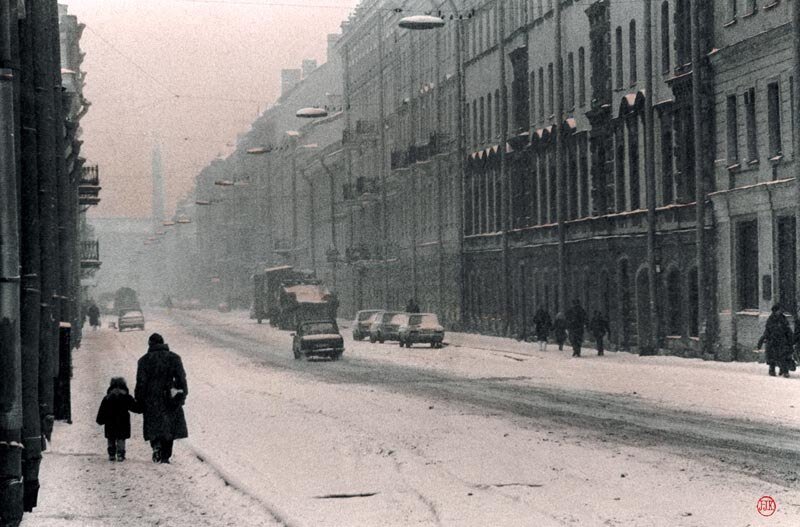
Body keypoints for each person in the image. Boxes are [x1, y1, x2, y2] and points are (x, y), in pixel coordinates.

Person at [135, 333, 188, 464]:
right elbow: (181, 379)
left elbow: (141, 382)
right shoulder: (174, 358)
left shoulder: (144, 360)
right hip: (169, 397)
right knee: (169, 428)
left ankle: (156, 445)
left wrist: (139, 399)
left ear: (150, 344)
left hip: (151, 398)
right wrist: (182, 395)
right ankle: (165, 455)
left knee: (153, 426)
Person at [95, 377, 139, 462]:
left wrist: (100, 420)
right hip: (123, 422)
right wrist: (141, 407)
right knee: (121, 438)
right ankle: (120, 454)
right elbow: (135, 407)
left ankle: (111, 454)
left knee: (111, 438)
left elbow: (102, 410)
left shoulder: (107, 398)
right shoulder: (126, 397)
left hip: (110, 422)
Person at [757, 305, 793, 378]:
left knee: (783, 356)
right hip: (772, 341)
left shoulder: (783, 318)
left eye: (780, 310)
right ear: (774, 311)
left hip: (782, 341)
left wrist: (791, 340)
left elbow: (787, 330)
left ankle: (785, 371)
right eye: (778, 310)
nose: (779, 311)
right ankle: (772, 370)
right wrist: (761, 340)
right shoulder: (771, 319)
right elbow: (767, 331)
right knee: (772, 357)